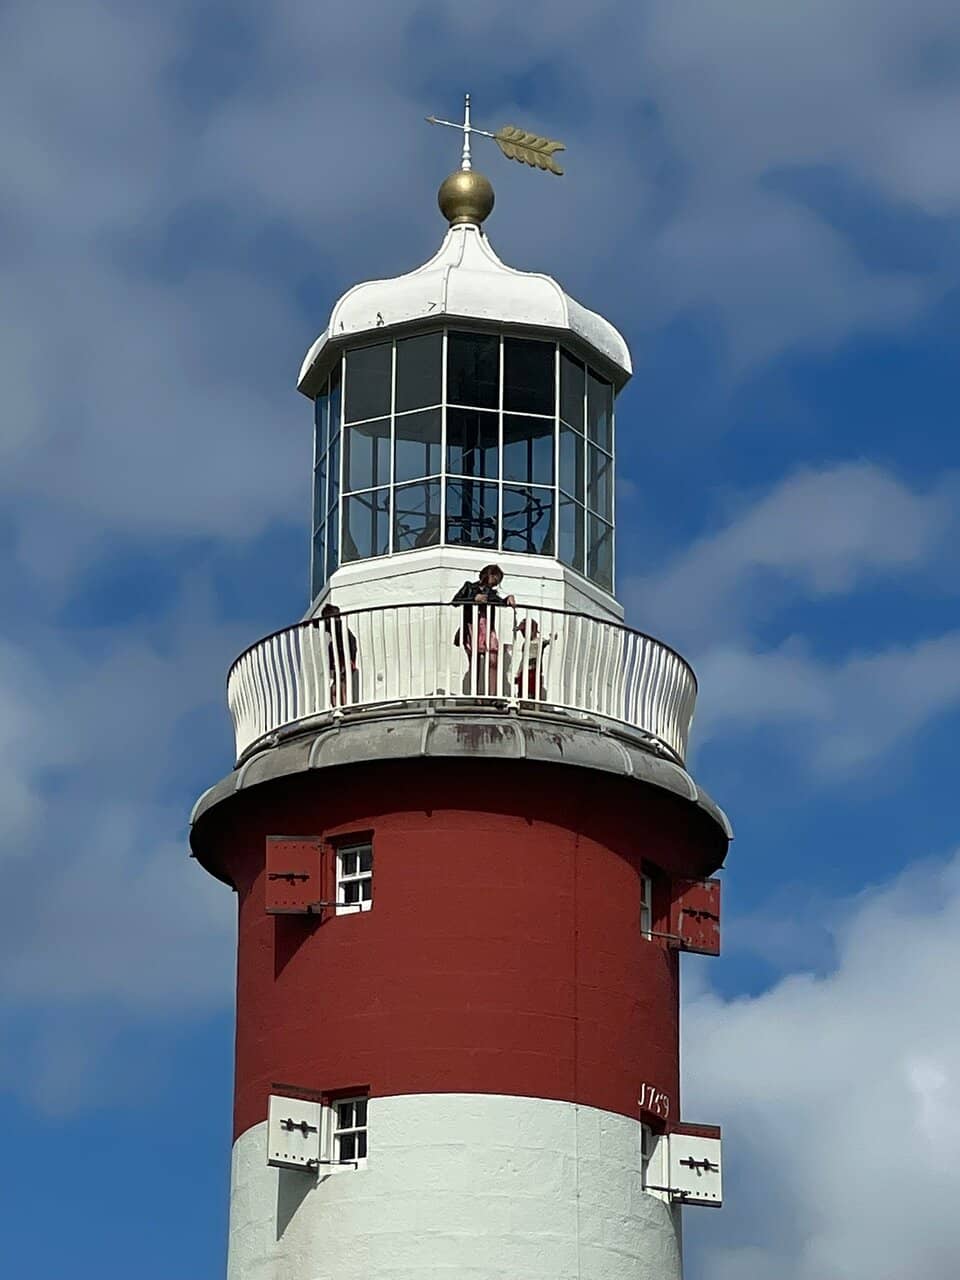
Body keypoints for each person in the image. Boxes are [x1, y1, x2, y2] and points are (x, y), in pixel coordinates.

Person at [451, 564, 516, 695]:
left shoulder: (491, 593)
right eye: (496, 577)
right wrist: (474, 599)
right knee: (474, 663)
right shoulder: (469, 587)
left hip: (487, 628)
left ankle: (492, 695)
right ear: (489, 574)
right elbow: (455, 601)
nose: (497, 582)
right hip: (471, 627)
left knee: (493, 660)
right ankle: (476, 696)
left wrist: (508, 598)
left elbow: (499, 602)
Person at [318, 603, 358, 706]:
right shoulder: (332, 643)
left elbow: (352, 643)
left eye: (326, 619)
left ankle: (344, 706)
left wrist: (351, 659)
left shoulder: (339, 627)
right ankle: (337, 707)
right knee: (334, 689)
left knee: (343, 685)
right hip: (339, 664)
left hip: (345, 661)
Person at [515, 618, 551, 700]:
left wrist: (551, 638)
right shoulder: (525, 643)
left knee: (533, 690)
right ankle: (522, 703)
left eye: (524, 631)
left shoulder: (539, 641)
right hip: (524, 671)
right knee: (522, 691)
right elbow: (523, 658)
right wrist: (518, 672)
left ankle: (533, 706)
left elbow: (546, 642)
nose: (523, 634)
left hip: (534, 671)